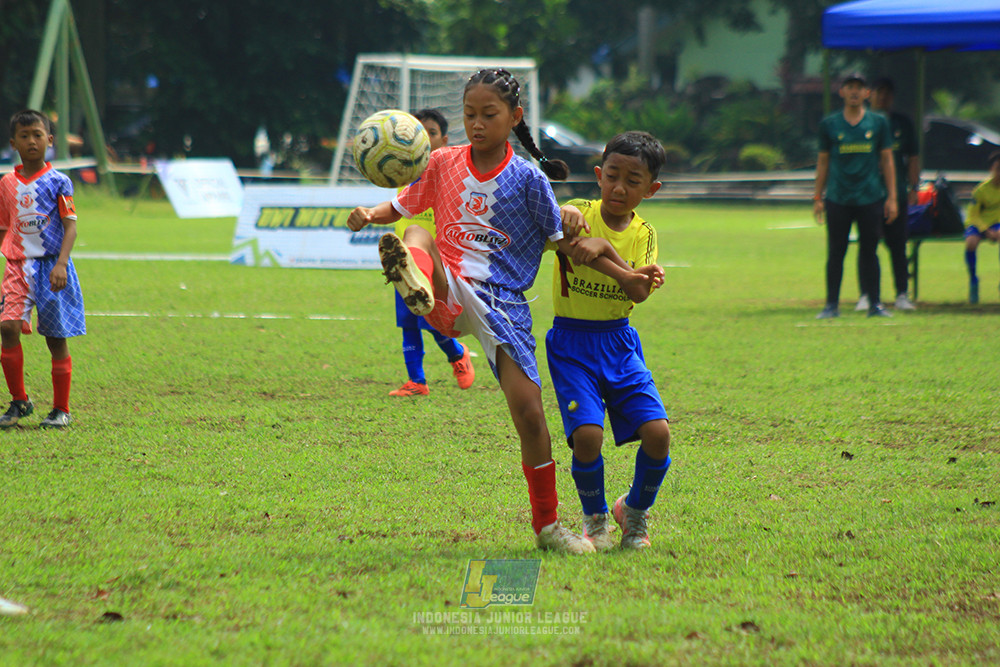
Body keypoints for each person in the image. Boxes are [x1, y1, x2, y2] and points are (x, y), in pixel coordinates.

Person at [347, 68, 661, 554]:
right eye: (469, 114)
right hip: (449, 287)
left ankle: (548, 527)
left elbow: (567, 245)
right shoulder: (442, 162)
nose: (476, 123)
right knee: (417, 233)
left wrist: (622, 275)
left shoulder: (529, 179)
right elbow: (403, 206)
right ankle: (418, 281)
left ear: (514, 117)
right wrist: (371, 214)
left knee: (531, 415)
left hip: (501, 304)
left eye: (488, 114)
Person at [547, 131, 671, 551]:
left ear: (651, 189)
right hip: (571, 343)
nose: (619, 188)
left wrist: (606, 249)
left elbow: (639, 291)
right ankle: (595, 519)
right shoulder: (580, 212)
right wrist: (565, 211)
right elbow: (559, 227)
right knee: (587, 436)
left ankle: (633, 511)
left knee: (658, 433)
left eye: (633, 181)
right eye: (612, 176)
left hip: (619, 343)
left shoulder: (644, 234)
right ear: (599, 175)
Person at [0, 110, 85, 429]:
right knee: (7, 327)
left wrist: (62, 263)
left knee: (55, 338)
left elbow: (70, 226)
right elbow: (4, 227)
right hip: (17, 267)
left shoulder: (59, 181)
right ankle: (19, 401)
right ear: (13, 143)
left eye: (37, 135)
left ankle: (61, 409)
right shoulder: (6, 184)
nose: (31, 141)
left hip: (51, 267)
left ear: (49, 140)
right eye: (24, 136)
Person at [387, 108, 474, 397]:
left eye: (431, 133)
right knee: (408, 322)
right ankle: (417, 381)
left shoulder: (451, 175)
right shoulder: (402, 171)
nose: (424, 138)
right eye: (418, 132)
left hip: (437, 262)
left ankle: (458, 354)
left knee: (434, 322)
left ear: (444, 140)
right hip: (405, 259)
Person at [813, 72, 898, 319]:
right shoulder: (830, 124)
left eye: (858, 87)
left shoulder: (878, 122)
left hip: (870, 197)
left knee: (870, 251)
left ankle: (875, 304)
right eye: (849, 87)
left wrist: (892, 197)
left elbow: (887, 160)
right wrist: (817, 197)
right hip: (838, 198)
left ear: (866, 93)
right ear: (842, 92)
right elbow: (823, 161)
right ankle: (831, 305)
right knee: (836, 251)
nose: (854, 91)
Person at [856, 77, 919, 312]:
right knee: (867, 245)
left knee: (898, 245)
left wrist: (913, 187)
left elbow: (913, 157)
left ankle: (902, 294)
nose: (883, 97)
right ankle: (866, 295)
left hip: (896, 194)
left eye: (888, 93)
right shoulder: (860, 122)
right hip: (868, 195)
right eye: (879, 92)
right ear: (870, 94)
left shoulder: (902, 123)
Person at [963, 150, 1000, 304]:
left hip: (997, 224)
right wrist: (985, 230)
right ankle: (973, 280)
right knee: (971, 243)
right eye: (998, 169)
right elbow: (973, 215)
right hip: (980, 224)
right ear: (991, 169)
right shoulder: (981, 190)